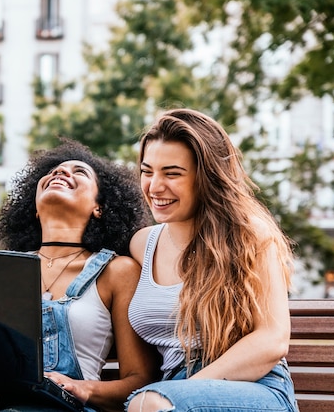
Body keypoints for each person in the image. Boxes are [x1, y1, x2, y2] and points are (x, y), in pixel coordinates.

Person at [0, 139, 159, 412]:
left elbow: (139, 380)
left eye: (80, 172)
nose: (61, 173)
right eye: (53, 172)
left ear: (99, 207)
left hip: (65, 405)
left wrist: (81, 388)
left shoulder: (117, 271)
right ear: (35, 208)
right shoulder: (2, 271)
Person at [125, 108, 299, 411]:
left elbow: (272, 340)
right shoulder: (142, 245)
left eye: (172, 173)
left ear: (206, 178)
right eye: (147, 171)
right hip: (171, 393)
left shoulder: (250, 236)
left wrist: (183, 392)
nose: (154, 186)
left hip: (256, 388)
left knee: (147, 405)